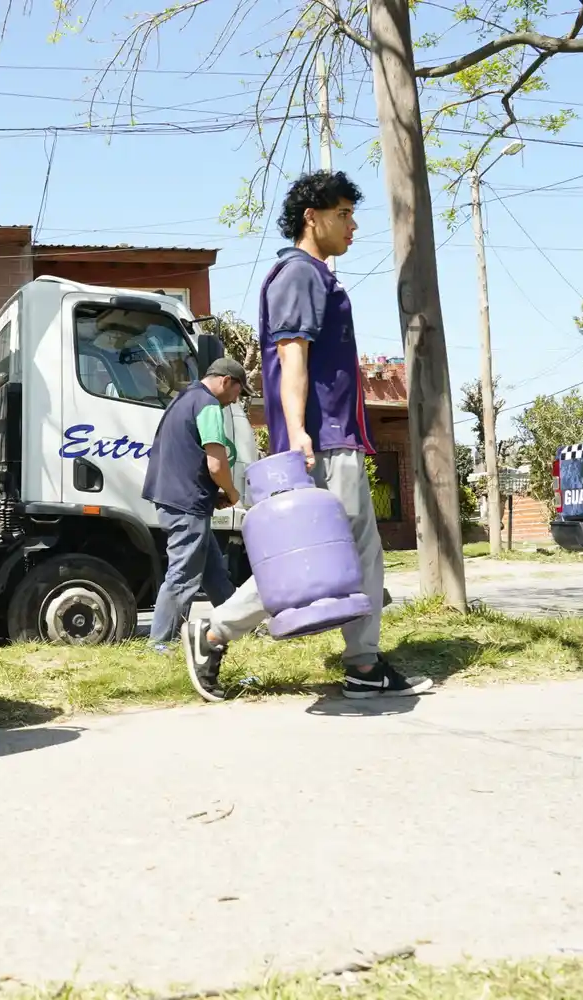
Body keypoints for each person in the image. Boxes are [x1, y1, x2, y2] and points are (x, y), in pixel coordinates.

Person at [180, 170, 433, 702]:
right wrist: (296, 432)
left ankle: (362, 664)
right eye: (343, 214)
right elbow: (292, 355)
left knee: (357, 555)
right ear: (311, 218)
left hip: (335, 438)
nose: (353, 225)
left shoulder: (315, 276)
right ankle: (216, 633)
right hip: (321, 440)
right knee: (312, 562)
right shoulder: (300, 275)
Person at [142, 356, 248, 650]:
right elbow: (216, 464)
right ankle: (160, 646)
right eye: (239, 391)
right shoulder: (208, 405)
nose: (236, 399)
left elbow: (184, 456)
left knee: (214, 572)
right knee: (183, 576)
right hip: (186, 502)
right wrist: (232, 491)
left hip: (175, 496)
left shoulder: (184, 399)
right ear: (226, 381)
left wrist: (212, 495)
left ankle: (239, 627)